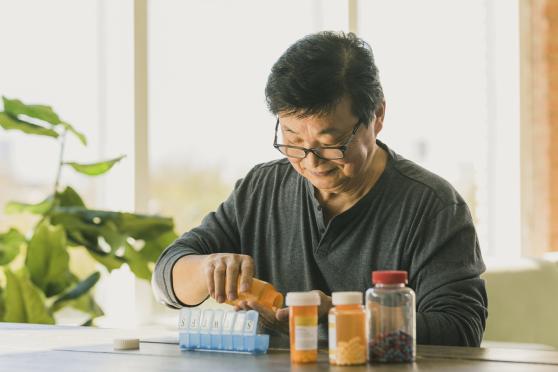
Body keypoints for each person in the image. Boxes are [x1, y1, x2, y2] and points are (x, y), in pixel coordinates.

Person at [152, 31, 488, 347]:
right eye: (293, 140)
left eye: (331, 143)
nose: (311, 161)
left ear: (378, 116)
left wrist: (344, 318)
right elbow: (166, 277)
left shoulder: (432, 207)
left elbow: (461, 329)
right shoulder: (262, 189)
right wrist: (208, 269)